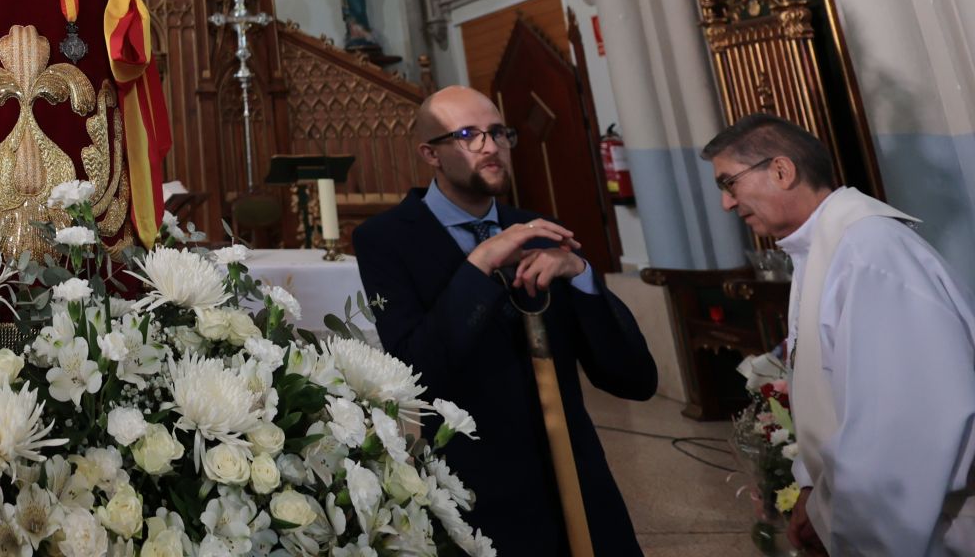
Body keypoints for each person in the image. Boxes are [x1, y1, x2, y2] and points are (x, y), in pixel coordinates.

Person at [352, 84, 657, 555]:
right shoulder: (386, 239)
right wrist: (481, 263)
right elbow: (416, 368)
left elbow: (633, 379)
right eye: (468, 135)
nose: (491, 146)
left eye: (498, 133)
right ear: (430, 154)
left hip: (575, 480)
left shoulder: (539, 230)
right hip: (476, 491)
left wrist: (581, 275)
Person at [704, 113, 975, 555]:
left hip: (931, 529)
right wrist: (813, 491)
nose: (727, 203)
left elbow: (902, 425)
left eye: (729, 183)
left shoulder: (871, 253)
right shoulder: (823, 250)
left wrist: (855, 534)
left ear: (781, 170)